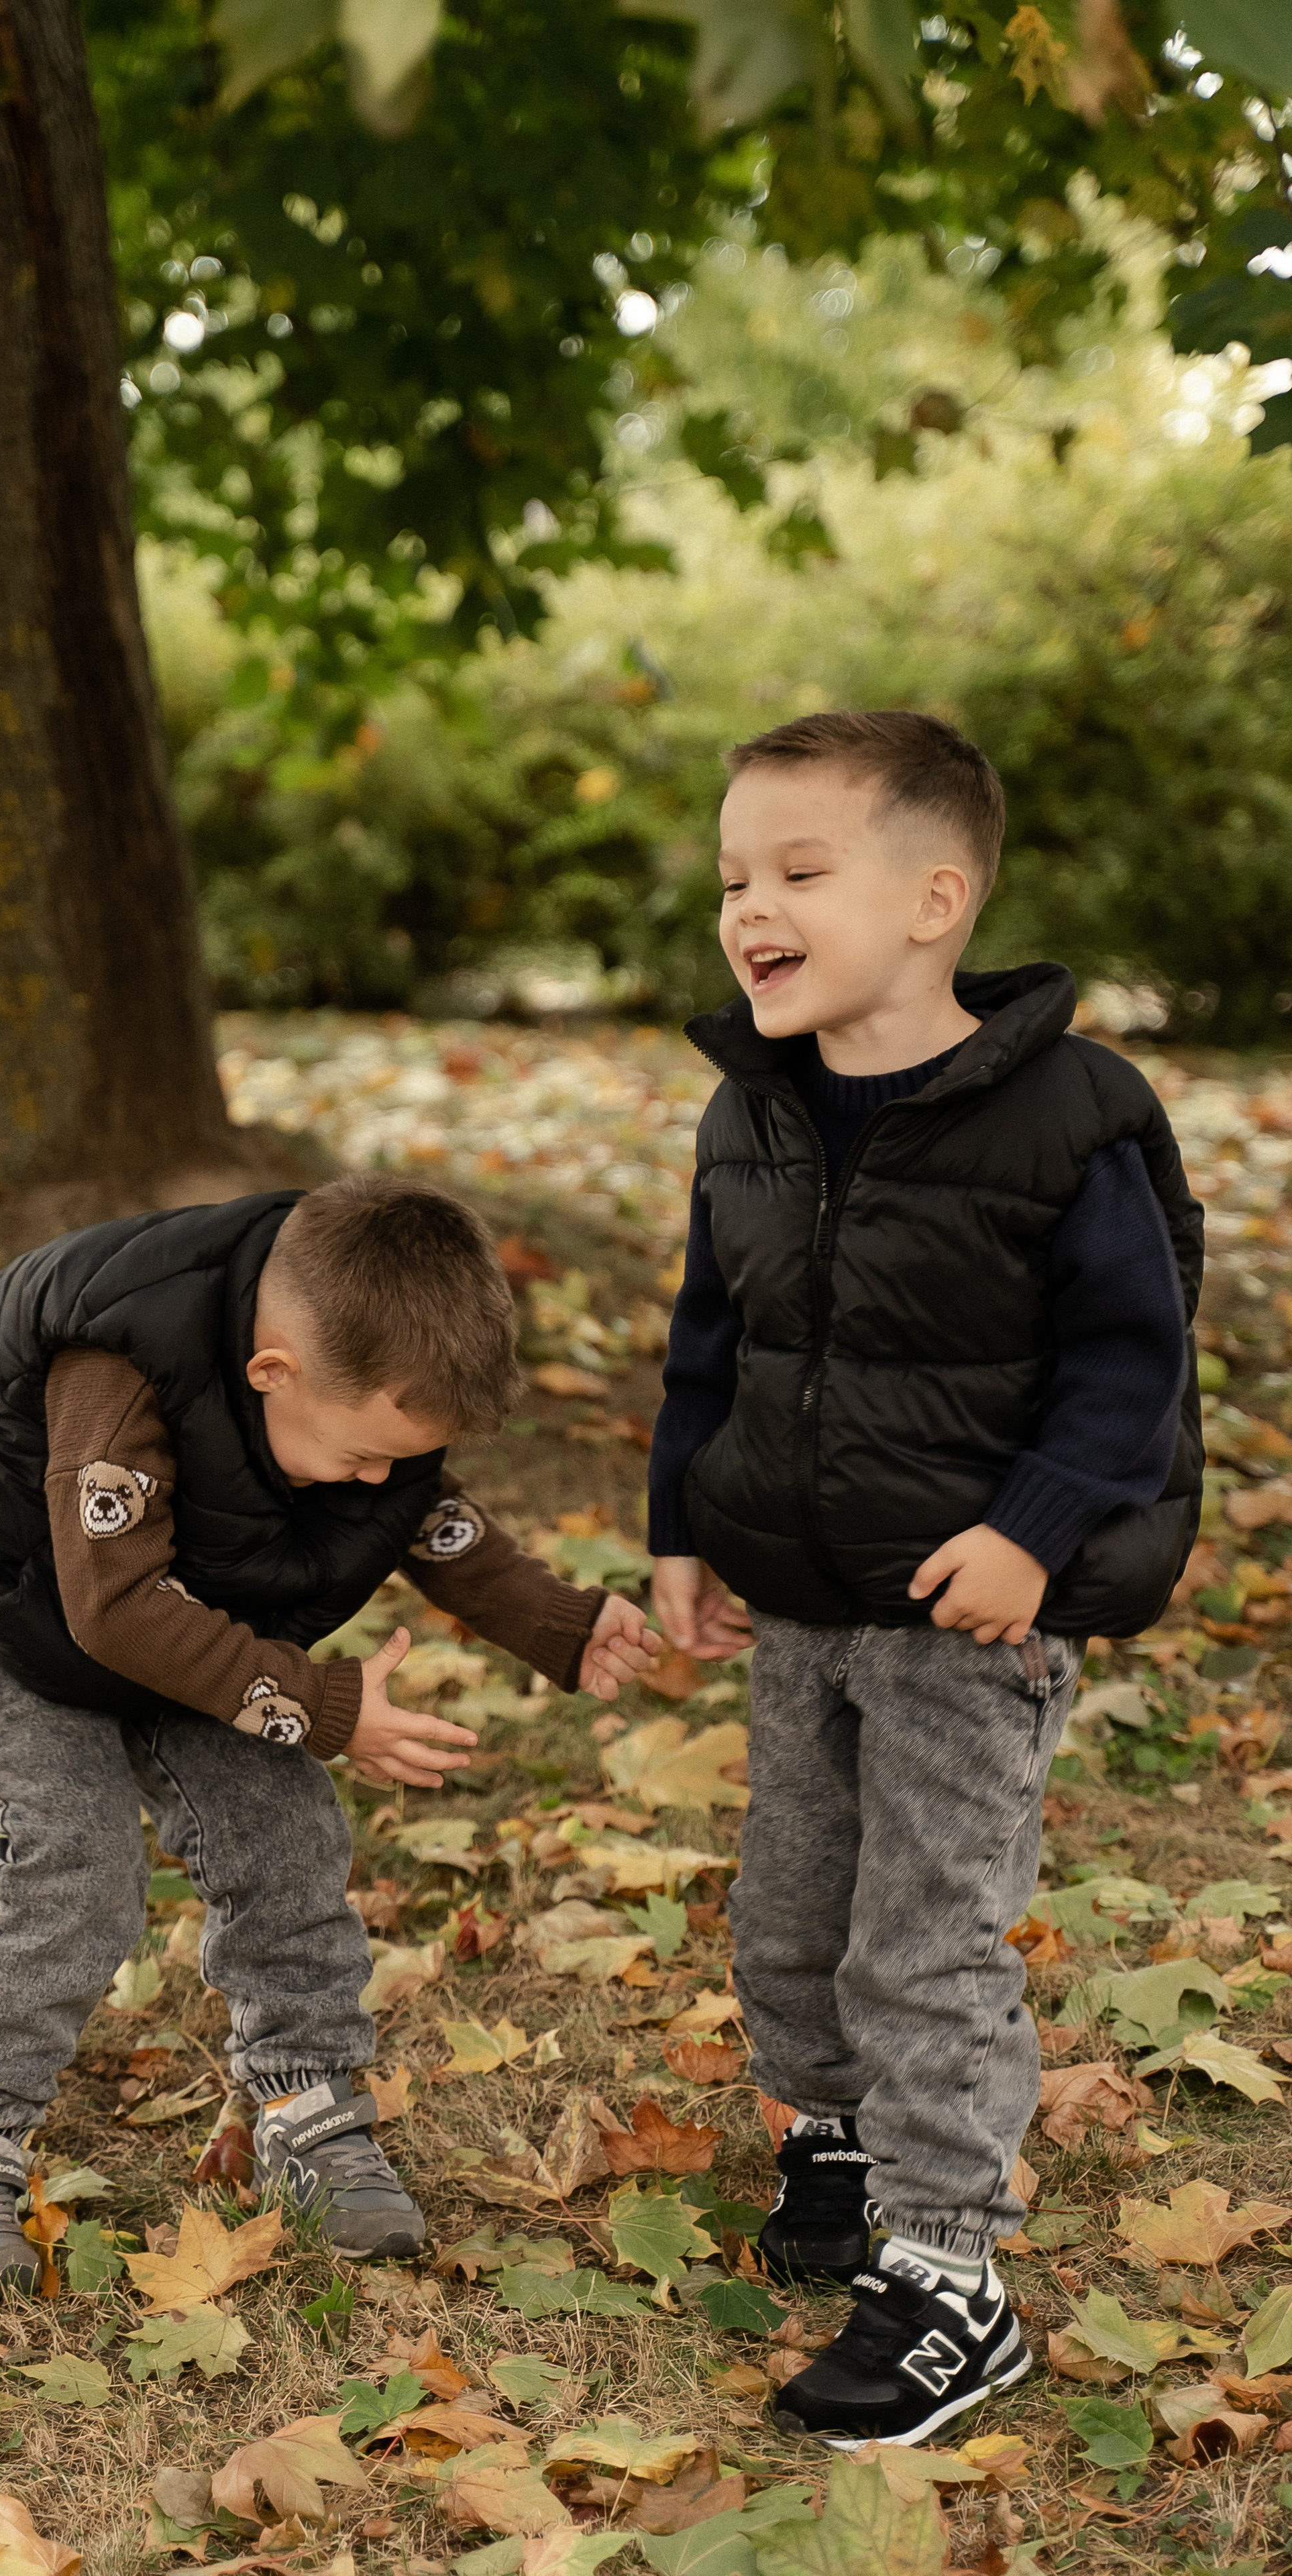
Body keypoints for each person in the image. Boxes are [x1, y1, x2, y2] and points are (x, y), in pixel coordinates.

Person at [649, 710, 1202, 2449]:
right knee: (791, 1914)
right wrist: (682, 1525)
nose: (750, 909)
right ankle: (836, 2148)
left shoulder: (1069, 1118)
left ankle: (952, 2272)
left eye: (797, 872)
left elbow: (1130, 1365)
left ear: (933, 900)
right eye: (733, 880)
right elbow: (712, 1340)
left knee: (921, 1940)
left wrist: (1031, 1529)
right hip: (800, 1601)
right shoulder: (752, 1112)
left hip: (973, 1618)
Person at [0, 1173, 657, 2294]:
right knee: (74, 1858)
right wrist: (323, 1707)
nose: (377, 1479)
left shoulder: (344, 1384)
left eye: (397, 1458)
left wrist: (557, 1623)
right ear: (270, 1372)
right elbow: (112, 1610)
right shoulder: (118, 1368)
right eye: (361, 1454)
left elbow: (415, 1509)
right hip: (7, 1606)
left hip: (183, 1602)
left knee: (282, 1830)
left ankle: (307, 2106)